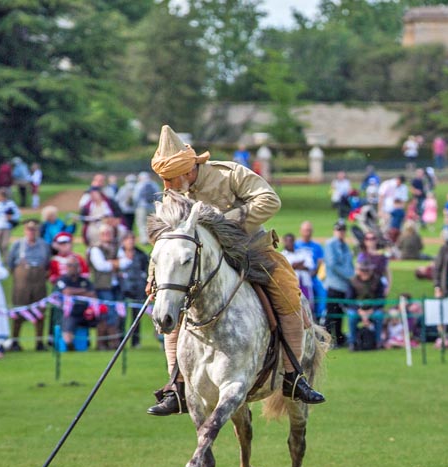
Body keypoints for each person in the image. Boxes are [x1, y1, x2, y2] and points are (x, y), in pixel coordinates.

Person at [146, 125, 324, 410]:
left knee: (290, 297)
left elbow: (270, 200)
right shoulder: (173, 195)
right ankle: (176, 387)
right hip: (200, 266)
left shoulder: (230, 174)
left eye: (169, 178)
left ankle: (293, 376)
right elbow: (167, 242)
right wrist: (154, 276)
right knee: (173, 310)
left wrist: (226, 223)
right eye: (162, 179)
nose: (165, 187)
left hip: (252, 250)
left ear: (186, 169)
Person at [7, 220, 51, 351]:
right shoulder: (17, 245)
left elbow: (47, 263)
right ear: (25, 230)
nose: (31, 232)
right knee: (19, 311)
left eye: (34, 229)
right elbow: (10, 263)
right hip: (22, 283)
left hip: (38, 281)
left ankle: (39, 341)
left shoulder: (44, 245)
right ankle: (15, 341)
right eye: (29, 229)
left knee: (40, 311)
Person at [323, 221, 355, 348]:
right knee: (332, 314)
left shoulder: (345, 245)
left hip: (344, 285)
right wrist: (349, 276)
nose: (341, 232)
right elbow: (332, 264)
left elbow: (349, 263)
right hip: (334, 284)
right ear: (334, 231)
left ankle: (339, 339)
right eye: (338, 230)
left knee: (340, 313)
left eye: (342, 230)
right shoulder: (331, 244)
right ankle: (328, 340)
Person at [53, 259, 97, 350]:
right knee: (68, 323)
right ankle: (69, 345)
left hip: (86, 312)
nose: (74, 268)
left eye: (76, 266)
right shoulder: (62, 280)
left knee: (104, 318)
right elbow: (66, 291)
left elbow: (93, 294)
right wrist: (83, 291)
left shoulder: (84, 281)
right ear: (67, 267)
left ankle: (104, 344)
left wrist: (74, 292)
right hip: (70, 312)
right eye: (71, 266)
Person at [116, 232, 149, 347]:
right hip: (121, 288)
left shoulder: (141, 254)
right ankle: (119, 340)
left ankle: (135, 341)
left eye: (132, 239)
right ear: (123, 241)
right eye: (127, 239)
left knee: (137, 315)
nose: (130, 241)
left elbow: (147, 270)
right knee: (121, 315)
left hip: (138, 288)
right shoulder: (117, 254)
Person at [294, 221, 327, 321]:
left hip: (313, 275)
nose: (307, 233)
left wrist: (314, 273)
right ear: (301, 231)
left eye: (309, 230)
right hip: (299, 277)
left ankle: (320, 315)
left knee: (322, 291)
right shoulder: (295, 245)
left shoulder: (317, 247)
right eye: (305, 230)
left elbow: (320, 262)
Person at [0, 188, 21, 256]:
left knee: (4, 245)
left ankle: (7, 259)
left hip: (7, 226)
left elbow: (18, 214)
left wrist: (11, 217)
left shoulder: (11, 204)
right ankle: (0, 258)